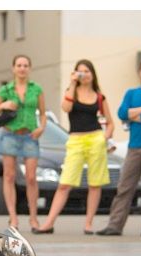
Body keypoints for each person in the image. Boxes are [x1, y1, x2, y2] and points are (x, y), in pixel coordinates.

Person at [33, 59, 114, 235]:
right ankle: (49, 223)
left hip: (95, 139)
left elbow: (110, 123)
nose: (83, 74)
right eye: (80, 71)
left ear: (93, 74)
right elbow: (66, 107)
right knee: (65, 183)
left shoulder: (99, 97)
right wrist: (72, 83)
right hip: (76, 140)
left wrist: (104, 138)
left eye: (86, 71)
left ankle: (88, 224)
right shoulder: (72, 92)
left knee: (95, 183)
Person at [96, 57, 141, 237]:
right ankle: (114, 225)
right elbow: (121, 113)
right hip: (134, 146)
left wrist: (132, 114)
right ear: (140, 72)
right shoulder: (131, 93)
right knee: (124, 187)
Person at [0, 55, 47, 231]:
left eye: (25, 65)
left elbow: (43, 113)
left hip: (30, 136)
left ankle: (33, 218)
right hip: (10, 135)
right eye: (19, 65)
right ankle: (13, 218)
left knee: (31, 177)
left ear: (30, 68)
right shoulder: (6, 89)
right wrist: (4, 105)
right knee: (9, 176)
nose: (22, 68)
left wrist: (41, 128)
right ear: (13, 68)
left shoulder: (36, 89)